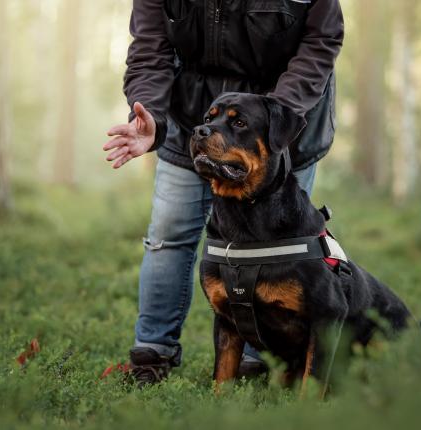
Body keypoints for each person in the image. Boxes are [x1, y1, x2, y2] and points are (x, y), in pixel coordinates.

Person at [103, 0, 344, 386]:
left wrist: (274, 118)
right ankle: (151, 356)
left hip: (280, 126)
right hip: (194, 120)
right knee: (168, 235)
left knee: (278, 248)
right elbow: (151, 48)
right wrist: (150, 117)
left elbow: (321, 41)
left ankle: (256, 363)